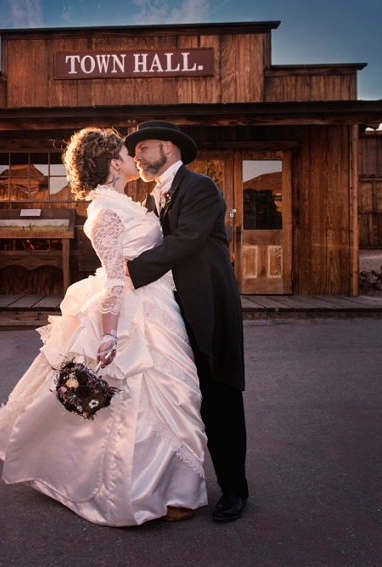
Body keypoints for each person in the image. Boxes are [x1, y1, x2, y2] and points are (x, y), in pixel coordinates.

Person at [0, 127, 208, 526]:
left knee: (173, 395)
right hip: (135, 311)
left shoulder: (126, 202)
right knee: (143, 398)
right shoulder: (105, 213)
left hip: (159, 303)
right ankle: (146, 491)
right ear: (113, 163)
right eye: (127, 152)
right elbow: (114, 280)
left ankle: (174, 487)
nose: (134, 158)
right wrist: (108, 333)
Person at [124, 121, 248, 521]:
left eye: (144, 148)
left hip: (208, 307)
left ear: (170, 149)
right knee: (176, 397)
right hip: (170, 310)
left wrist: (129, 270)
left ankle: (234, 489)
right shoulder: (152, 197)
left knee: (220, 395)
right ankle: (175, 484)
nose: (137, 157)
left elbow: (187, 240)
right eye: (136, 151)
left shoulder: (201, 188)